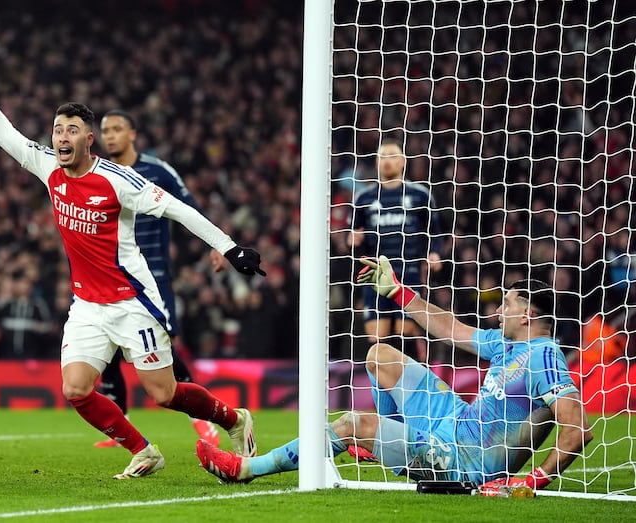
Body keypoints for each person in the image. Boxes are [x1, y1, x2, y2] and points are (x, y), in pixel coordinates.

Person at [0, 36, 264, 479]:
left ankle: (234, 419)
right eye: (58, 129)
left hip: (132, 300)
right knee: (76, 389)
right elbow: (2, 131)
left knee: (164, 393)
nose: (61, 136)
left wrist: (229, 247)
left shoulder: (119, 181)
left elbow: (177, 207)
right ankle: (144, 450)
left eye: (71, 130)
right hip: (87, 305)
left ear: (88, 139)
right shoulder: (48, 167)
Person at [196, 255, 592, 492]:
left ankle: (247, 468)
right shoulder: (507, 345)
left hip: (461, 460)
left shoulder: (543, 356)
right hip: (454, 420)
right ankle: (387, 439)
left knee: (353, 422)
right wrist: (399, 292)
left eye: (506, 304)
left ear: (526, 314)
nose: (498, 310)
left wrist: (532, 481)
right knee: (380, 354)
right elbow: (448, 328)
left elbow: (578, 430)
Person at [94, 109, 223, 448]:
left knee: (164, 346)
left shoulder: (157, 171)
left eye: (117, 129)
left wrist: (217, 244)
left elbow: (188, 206)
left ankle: (203, 420)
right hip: (111, 275)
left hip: (153, 278)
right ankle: (120, 424)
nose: (109, 136)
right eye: (105, 130)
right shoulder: (99, 172)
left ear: (133, 134)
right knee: (105, 346)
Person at [349, 139, 443, 361]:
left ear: (403, 161)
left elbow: (435, 231)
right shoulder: (363, 198)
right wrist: (353, 240)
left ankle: (410, 386)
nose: (387, 161)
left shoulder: (420, 195)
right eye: (382, 156)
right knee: (377, 335)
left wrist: (434, 252)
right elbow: (352, 236)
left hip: (408, 272)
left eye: (392, 155)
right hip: (375, 275)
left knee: (406, 332)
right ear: (376, 163)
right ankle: (381, 389)